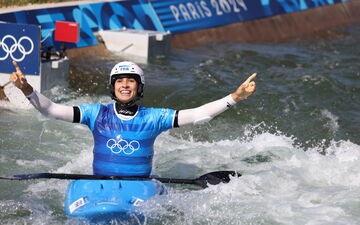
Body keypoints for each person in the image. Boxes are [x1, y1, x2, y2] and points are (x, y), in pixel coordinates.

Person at [9, 61, 256, 177]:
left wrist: (235, 97)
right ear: (113, 87)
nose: (125, 85)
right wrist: (26, 88)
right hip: (99, 186)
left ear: (139, 88)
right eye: (119, 81)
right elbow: (51, 110)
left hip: (140, 188)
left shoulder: (155, 117)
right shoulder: (96, 114)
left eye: (131, 81)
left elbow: (199, 114)